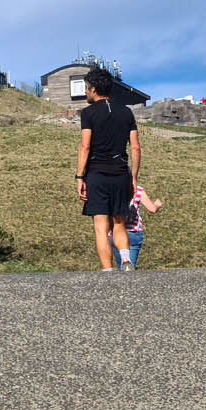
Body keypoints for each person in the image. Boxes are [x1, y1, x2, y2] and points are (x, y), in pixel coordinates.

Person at [75, 68, 141, 272]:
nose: (86, 92)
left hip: (96, 174)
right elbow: (136, 147)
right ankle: (126, 260)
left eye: (86, 88)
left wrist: (79, 176)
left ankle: (107, 271)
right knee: (119, 223)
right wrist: (134, 177)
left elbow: (85, 146)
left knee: (101, 227)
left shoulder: (88, 113)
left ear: (93, 89)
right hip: (121, 173)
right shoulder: (126, 112)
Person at [115, 182, 163, 267]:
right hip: (133, 232)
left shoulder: (111, 189)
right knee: (129, 268)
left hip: (116, 232)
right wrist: (157, 205)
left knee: (120, 266)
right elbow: (152, 209)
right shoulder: (138, 190)